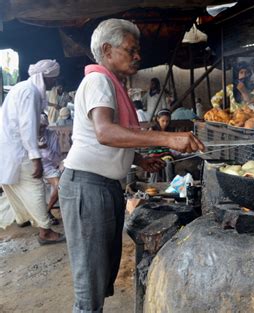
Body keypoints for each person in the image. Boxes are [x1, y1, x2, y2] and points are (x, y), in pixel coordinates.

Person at [58, 18, 204, 313]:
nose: (138, 56)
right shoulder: (98, 80)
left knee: (100, 272)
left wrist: (136, 158)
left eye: (138, 50)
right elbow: (105, 132)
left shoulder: (110, 84)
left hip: (102, 185)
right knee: (90, 283)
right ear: (108, 50)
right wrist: (169, 139)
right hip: (87, 187)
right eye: (131, 49)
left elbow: (99, 138)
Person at [0, 59, 65, 244]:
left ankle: (23, 219)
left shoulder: (20, 87)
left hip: (8, 149)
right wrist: (35, 156)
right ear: (45, 77)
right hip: (19, 150)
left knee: (16, 186)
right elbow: (27, 126)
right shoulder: (30, 92)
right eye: (53, 79)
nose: (54, 83)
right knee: (35, 186)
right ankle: (45, 232)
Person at [39, 113, 62, 225]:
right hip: (30, 168)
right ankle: (28, 216)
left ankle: (46, 213)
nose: (41, 129)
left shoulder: (51, 135)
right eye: (38, 127)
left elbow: (56, 158)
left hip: (48, 167)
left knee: (59, 185)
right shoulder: (26, 134)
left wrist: (45, 148)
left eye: (43, 127)